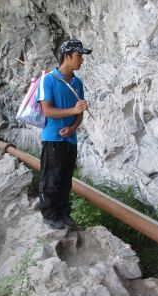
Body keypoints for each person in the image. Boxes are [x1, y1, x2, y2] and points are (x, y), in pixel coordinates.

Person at [35, 39, 91, 229]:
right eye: (78, 56)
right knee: (51, 178)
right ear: (67, 56)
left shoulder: (77, 82)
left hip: (70, 138)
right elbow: (47, 110)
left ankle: (63, 213)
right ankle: (49, 214)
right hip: (53, 138)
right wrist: (73, 111)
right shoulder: (48, 80)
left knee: (66, 179)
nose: (81, 60)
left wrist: (73, 127)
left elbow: (80, 113)